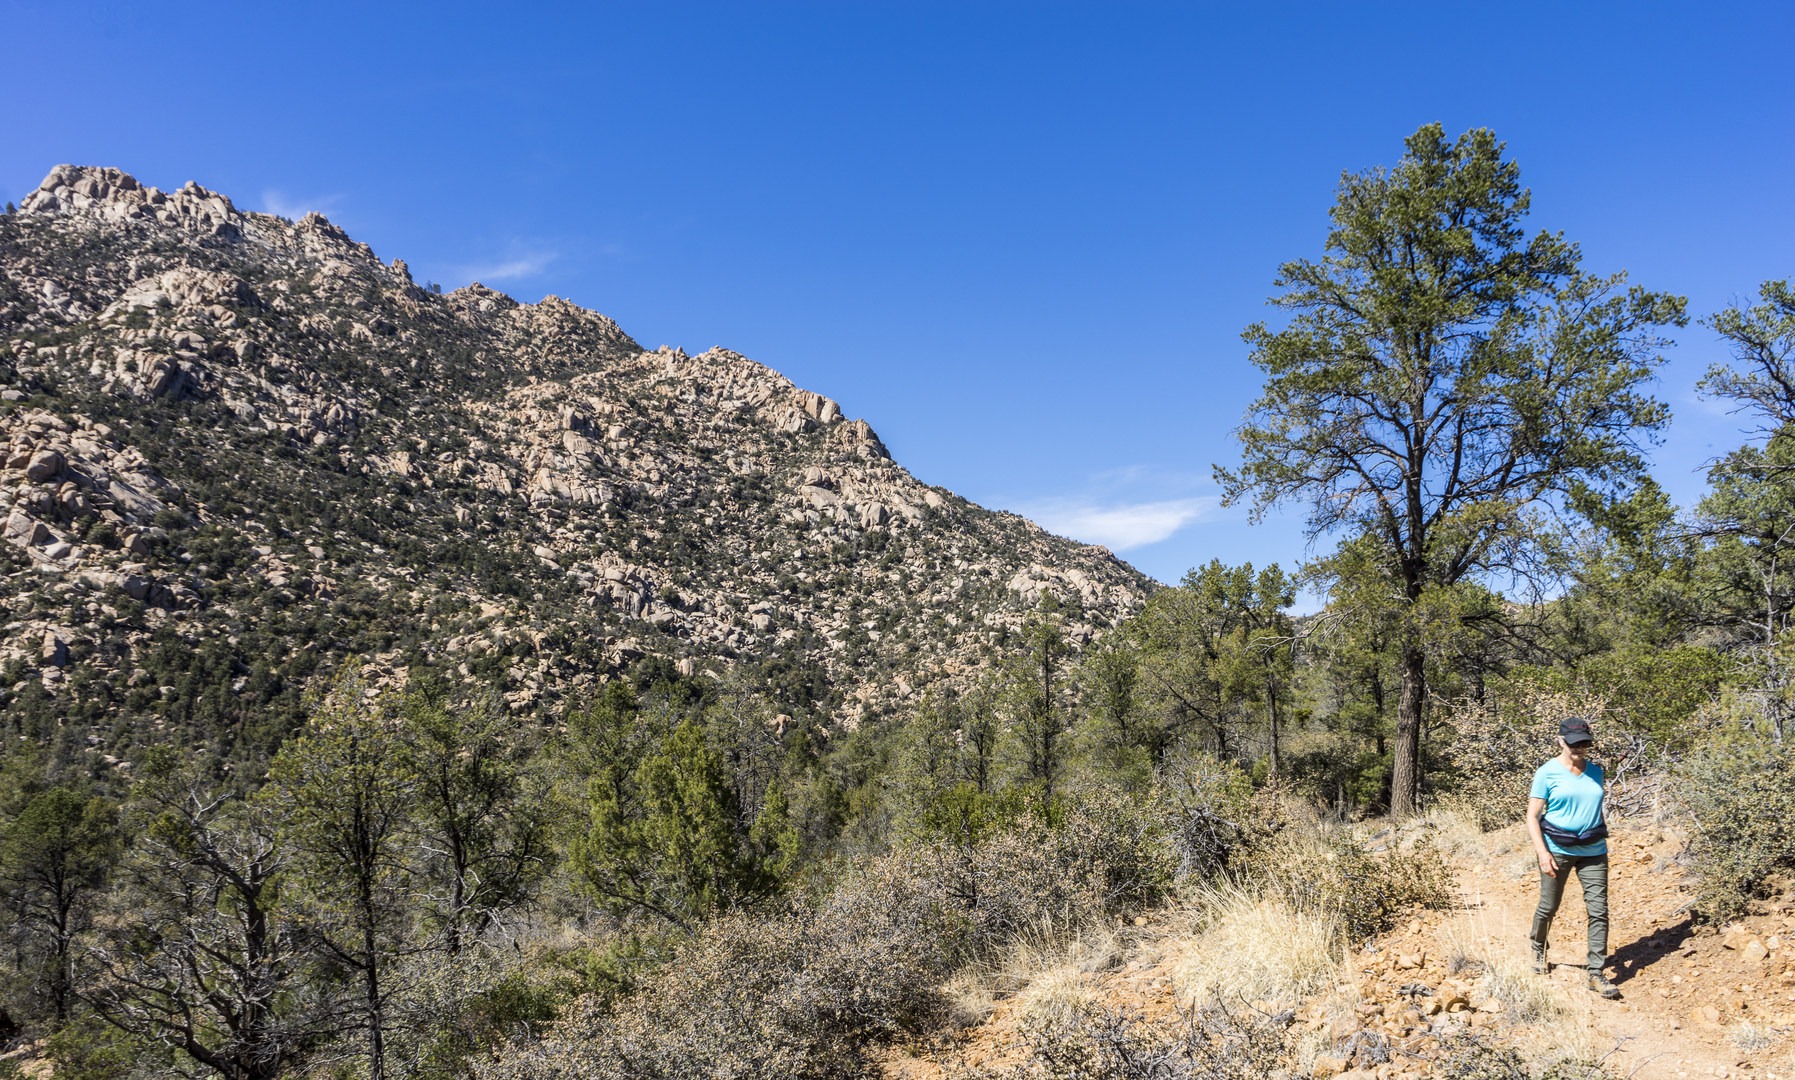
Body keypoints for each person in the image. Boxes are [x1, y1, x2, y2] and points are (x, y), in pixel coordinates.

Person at [1526, 717, 1618, 998]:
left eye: (1585, 743)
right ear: (1560, 740)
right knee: (1549, 906)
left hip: (1593, 850)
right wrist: (1543, 853)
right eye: (1574, 744)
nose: (1580, 749)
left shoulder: (1596, 772)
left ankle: (1595, 972)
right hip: (1557, 849)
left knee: (1598, 910)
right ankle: (1538, 949)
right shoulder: (1547, 773)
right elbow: (1532, 816)